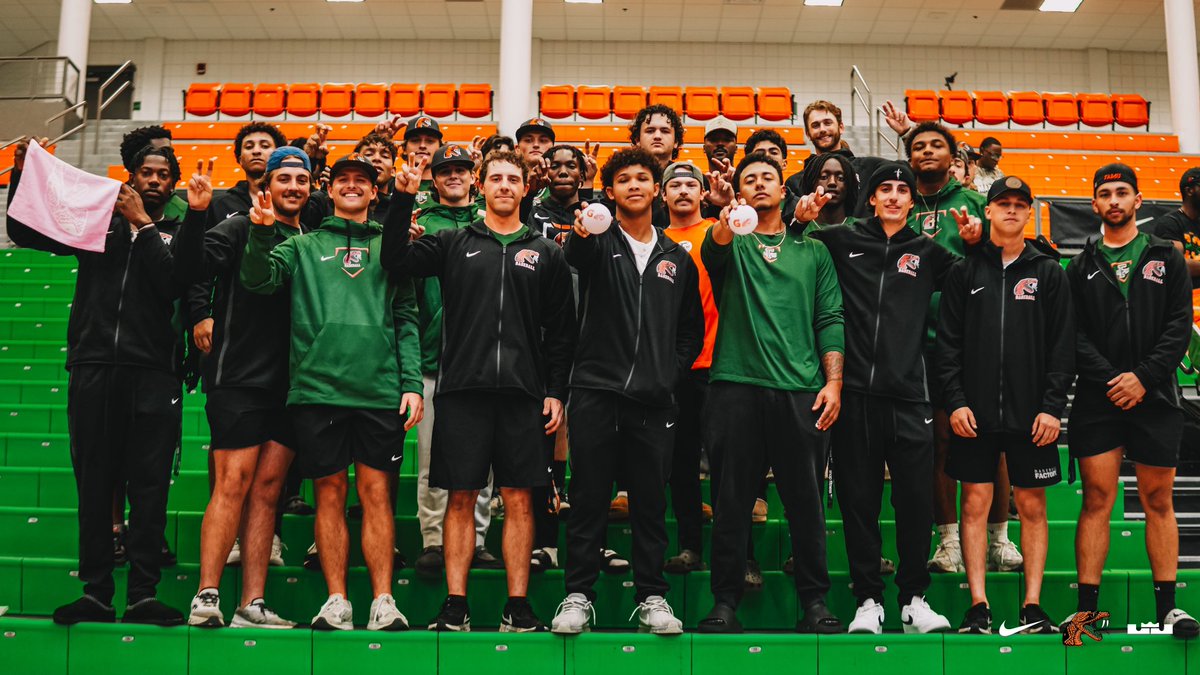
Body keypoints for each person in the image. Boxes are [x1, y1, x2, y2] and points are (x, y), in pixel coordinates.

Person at [7, 140, 206, 626]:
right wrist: (20, 175)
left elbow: (175, 282)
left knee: (150, 483)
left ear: (173, 184)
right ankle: (96, 591)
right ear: (130, 177)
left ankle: (142, 594)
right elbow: (24, 230)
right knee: (95, 480)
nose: (153, 180)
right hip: (94, 364)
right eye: (145, 172)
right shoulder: (99, 223)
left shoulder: (181, 231)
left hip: (155, 371)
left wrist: (144, 225)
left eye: (163, 174)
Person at [381, 150, 576, 633]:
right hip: (462, 390)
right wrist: (403, 198)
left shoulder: (546, 251)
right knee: (461, 498)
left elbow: (563, 331)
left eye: (513, 178)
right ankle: (455, 603)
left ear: (525, 188)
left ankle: (517, 605)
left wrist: (554, 391)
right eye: (496, 178)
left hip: (523, 393)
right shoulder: (451, 241)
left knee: (519, 500)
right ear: (481, 188)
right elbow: (394, 257)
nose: (505, 185)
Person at [240, 153, 424, 632]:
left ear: (373, 191)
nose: (351, 186)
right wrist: (260, 232)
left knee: (377, 495)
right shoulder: (302, 245)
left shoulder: (393, 248)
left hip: (380, 391)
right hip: (319, 391)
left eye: (361, 180)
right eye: (342, 179)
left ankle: (384, 600)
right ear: (331, 188)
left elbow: (406, 317)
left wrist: (411, 384)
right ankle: (337, 600)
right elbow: (258, 280)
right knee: (328, 494)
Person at [803, 162, 974, 635]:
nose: (896, 196)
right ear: (872, 198)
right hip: (852, 394)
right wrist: (802, 218)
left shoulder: (927, 251)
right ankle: (867, 601)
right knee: (859, 500)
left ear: (911, 200)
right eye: (887, 190)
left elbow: (970, 283)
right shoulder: (841, 239)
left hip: (909, 395)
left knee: (916, 502)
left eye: (903, 189)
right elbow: (796, 250)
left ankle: (914, 599)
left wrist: (976, 243)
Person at [550, 149, 703, 635]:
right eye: (623, 180)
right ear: (611, 190)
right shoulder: (596, 240)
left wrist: (668, 373)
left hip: (654, 400)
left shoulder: (677, 258)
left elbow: (689, 332)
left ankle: (652, 598)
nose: (633, 185)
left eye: (642, 178)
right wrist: (582, 226)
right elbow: (576, 255)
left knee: (649, 503)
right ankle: (577, 596)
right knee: (590, 497)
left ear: (656, 189)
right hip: (596, 390)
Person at [695, 152, 845, 634]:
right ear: (740, 192)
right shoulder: (731, 240)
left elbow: (829, 318)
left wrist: (834, 382)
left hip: (801, 390)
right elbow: (712, 249)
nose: (759, 184)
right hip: (735, 387)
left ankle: (815, 602)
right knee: (732, 503)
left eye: (768, 178)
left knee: (805, 504)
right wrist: (724, 213)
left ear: (785, 191)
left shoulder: (814, 250)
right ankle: (725, 602)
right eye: (749, 180)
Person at [1062, 164, 1198, 638]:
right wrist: (1112, 379)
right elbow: (1072, 335)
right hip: (1099, 399)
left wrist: (1142, 378)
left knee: (1158, 499)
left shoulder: (1167, 255)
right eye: (1105, 194)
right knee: (1096, 498)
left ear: (1139, 202)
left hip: (1157, 395)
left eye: (1123, 192)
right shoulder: (1079, 266)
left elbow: (1179, 327)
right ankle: (1087, 611)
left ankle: (1168, 608)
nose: (1114, 200)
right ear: (1094, 205)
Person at [937, 176, 1074, 635]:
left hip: (1032, 414)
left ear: (1029, 212)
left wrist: (1053, 407)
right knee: (975, 501)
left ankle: (1032, 606)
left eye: (1020, 204)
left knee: (1032, 504)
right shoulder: (964, 272)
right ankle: (978, 604)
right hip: (972, 413)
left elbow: (1062, 348)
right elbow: (948, 346)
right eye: (1004, 203)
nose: (1012, 210)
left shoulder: (1049, 272)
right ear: (989, 211)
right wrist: (954, 402)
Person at [186, 147, 315, 629]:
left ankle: (252, 603)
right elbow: (194, 264)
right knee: (233, 484)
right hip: (239, 376)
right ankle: (207, 593)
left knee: (268, 491)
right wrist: (198, 214)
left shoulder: (311, 239)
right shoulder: (240, 225)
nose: (293, 188)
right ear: (267, 184)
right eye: (285, 180)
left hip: (292, 384)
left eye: (302, 181)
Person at [905, 121, 1019, 576]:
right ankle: (948, 542)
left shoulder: (975, 204)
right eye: (919, 146)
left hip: (975, 341)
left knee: (995, 437)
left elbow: (1009, 263)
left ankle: (1000, 539)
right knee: (939, 443)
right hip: (916, 345)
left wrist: (978, 248)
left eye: (936, 145)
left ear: (953, 158)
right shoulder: (898, 203)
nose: (927, 151)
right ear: (909, 156)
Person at [411, 144, 501, 577]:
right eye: (445, 170)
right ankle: (432, 538)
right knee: (431, 457)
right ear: (434, 177)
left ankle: (478, 539)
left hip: (479, 358)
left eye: (461, 170)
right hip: (431, 354)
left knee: (479, 459)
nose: (453, 176)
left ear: (473, 176)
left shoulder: (491, 221)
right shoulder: (420, 222)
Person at [659, 162, 721, 575]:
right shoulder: (653, 238)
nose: (683, 191)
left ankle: (741, 555)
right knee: (680, 463)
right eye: (675, 185)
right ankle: (690, 546)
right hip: (671, 368)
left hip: (718, 364)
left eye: (690, 185)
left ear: (703, 193)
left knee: (726, 464)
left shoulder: (719, 232)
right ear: (662, 195)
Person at [785, 99, 912, 212]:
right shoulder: (796, 182)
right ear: (808, 134)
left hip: (862, 238)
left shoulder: (870, 167)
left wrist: (906, 134)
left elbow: (913, 171)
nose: (822, 129)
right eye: (815, 125)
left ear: (841, 127)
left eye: (828, 123)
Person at [796, 153, 860, 232]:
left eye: (840, 178)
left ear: (849, 185)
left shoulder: (861, 230)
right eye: (824, 177)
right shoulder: (797, 229)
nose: (832, 182)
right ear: (811, 182)